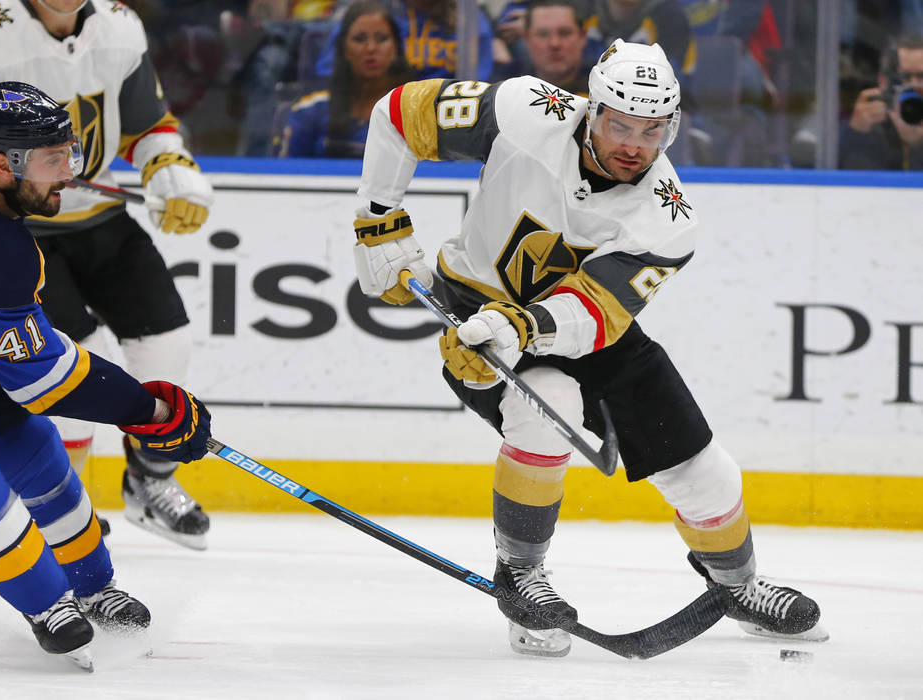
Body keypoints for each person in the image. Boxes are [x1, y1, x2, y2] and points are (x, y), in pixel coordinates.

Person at [352, 39, 828, 657]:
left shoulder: (668, 218)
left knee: (705, 473)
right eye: (620, 124)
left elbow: (596, 312)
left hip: (587, 330)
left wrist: (521, 328)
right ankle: (520, 573)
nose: (633, 143)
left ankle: (738, 588)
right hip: (475, 305)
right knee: (545, 410)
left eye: (651, 130)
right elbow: (400, 112)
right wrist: (377, 218)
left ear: (672, 129)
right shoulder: (527, 110)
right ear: (591, 109)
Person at [0, 81, 212, 669]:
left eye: (71, 154)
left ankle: (93, 585)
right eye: (54, 161)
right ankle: (45, 603)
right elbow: (46, 379)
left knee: (21, 434)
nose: (71, 175)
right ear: (2, 166)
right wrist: (151, 412)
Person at [0, 0, 216, 550]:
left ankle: (149, 482)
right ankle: (70, 505)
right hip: (22, 226)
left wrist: (169, 168)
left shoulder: (121, 26)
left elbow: (147, 125)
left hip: (102, 220)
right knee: (77, 355)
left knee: (168, 343)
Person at [280, 0, 412, 158]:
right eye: (360, 39)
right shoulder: (309, 112)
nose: (371, 48)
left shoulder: (418, 115)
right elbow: (286, 178)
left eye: (381, 38)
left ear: (396, 47)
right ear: (344, 49)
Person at [314, 0, 495, 82]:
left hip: (441, 120)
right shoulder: (370, 12)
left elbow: (478, 87)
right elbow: (329, 73)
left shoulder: (470, 20)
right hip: (376, 112)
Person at [840, 33, 923, 170]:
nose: (913, 85)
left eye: (921, 76)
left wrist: (918, 143)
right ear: (883, 82)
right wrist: (856, 134)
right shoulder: (868, 123)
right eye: (904, 77)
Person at [523, 0, 590, 95]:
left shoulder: (607, 87)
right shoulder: (506, 88)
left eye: (565, 33)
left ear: (582, 36)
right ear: (527, 39)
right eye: (543, 34)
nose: (554, 44)